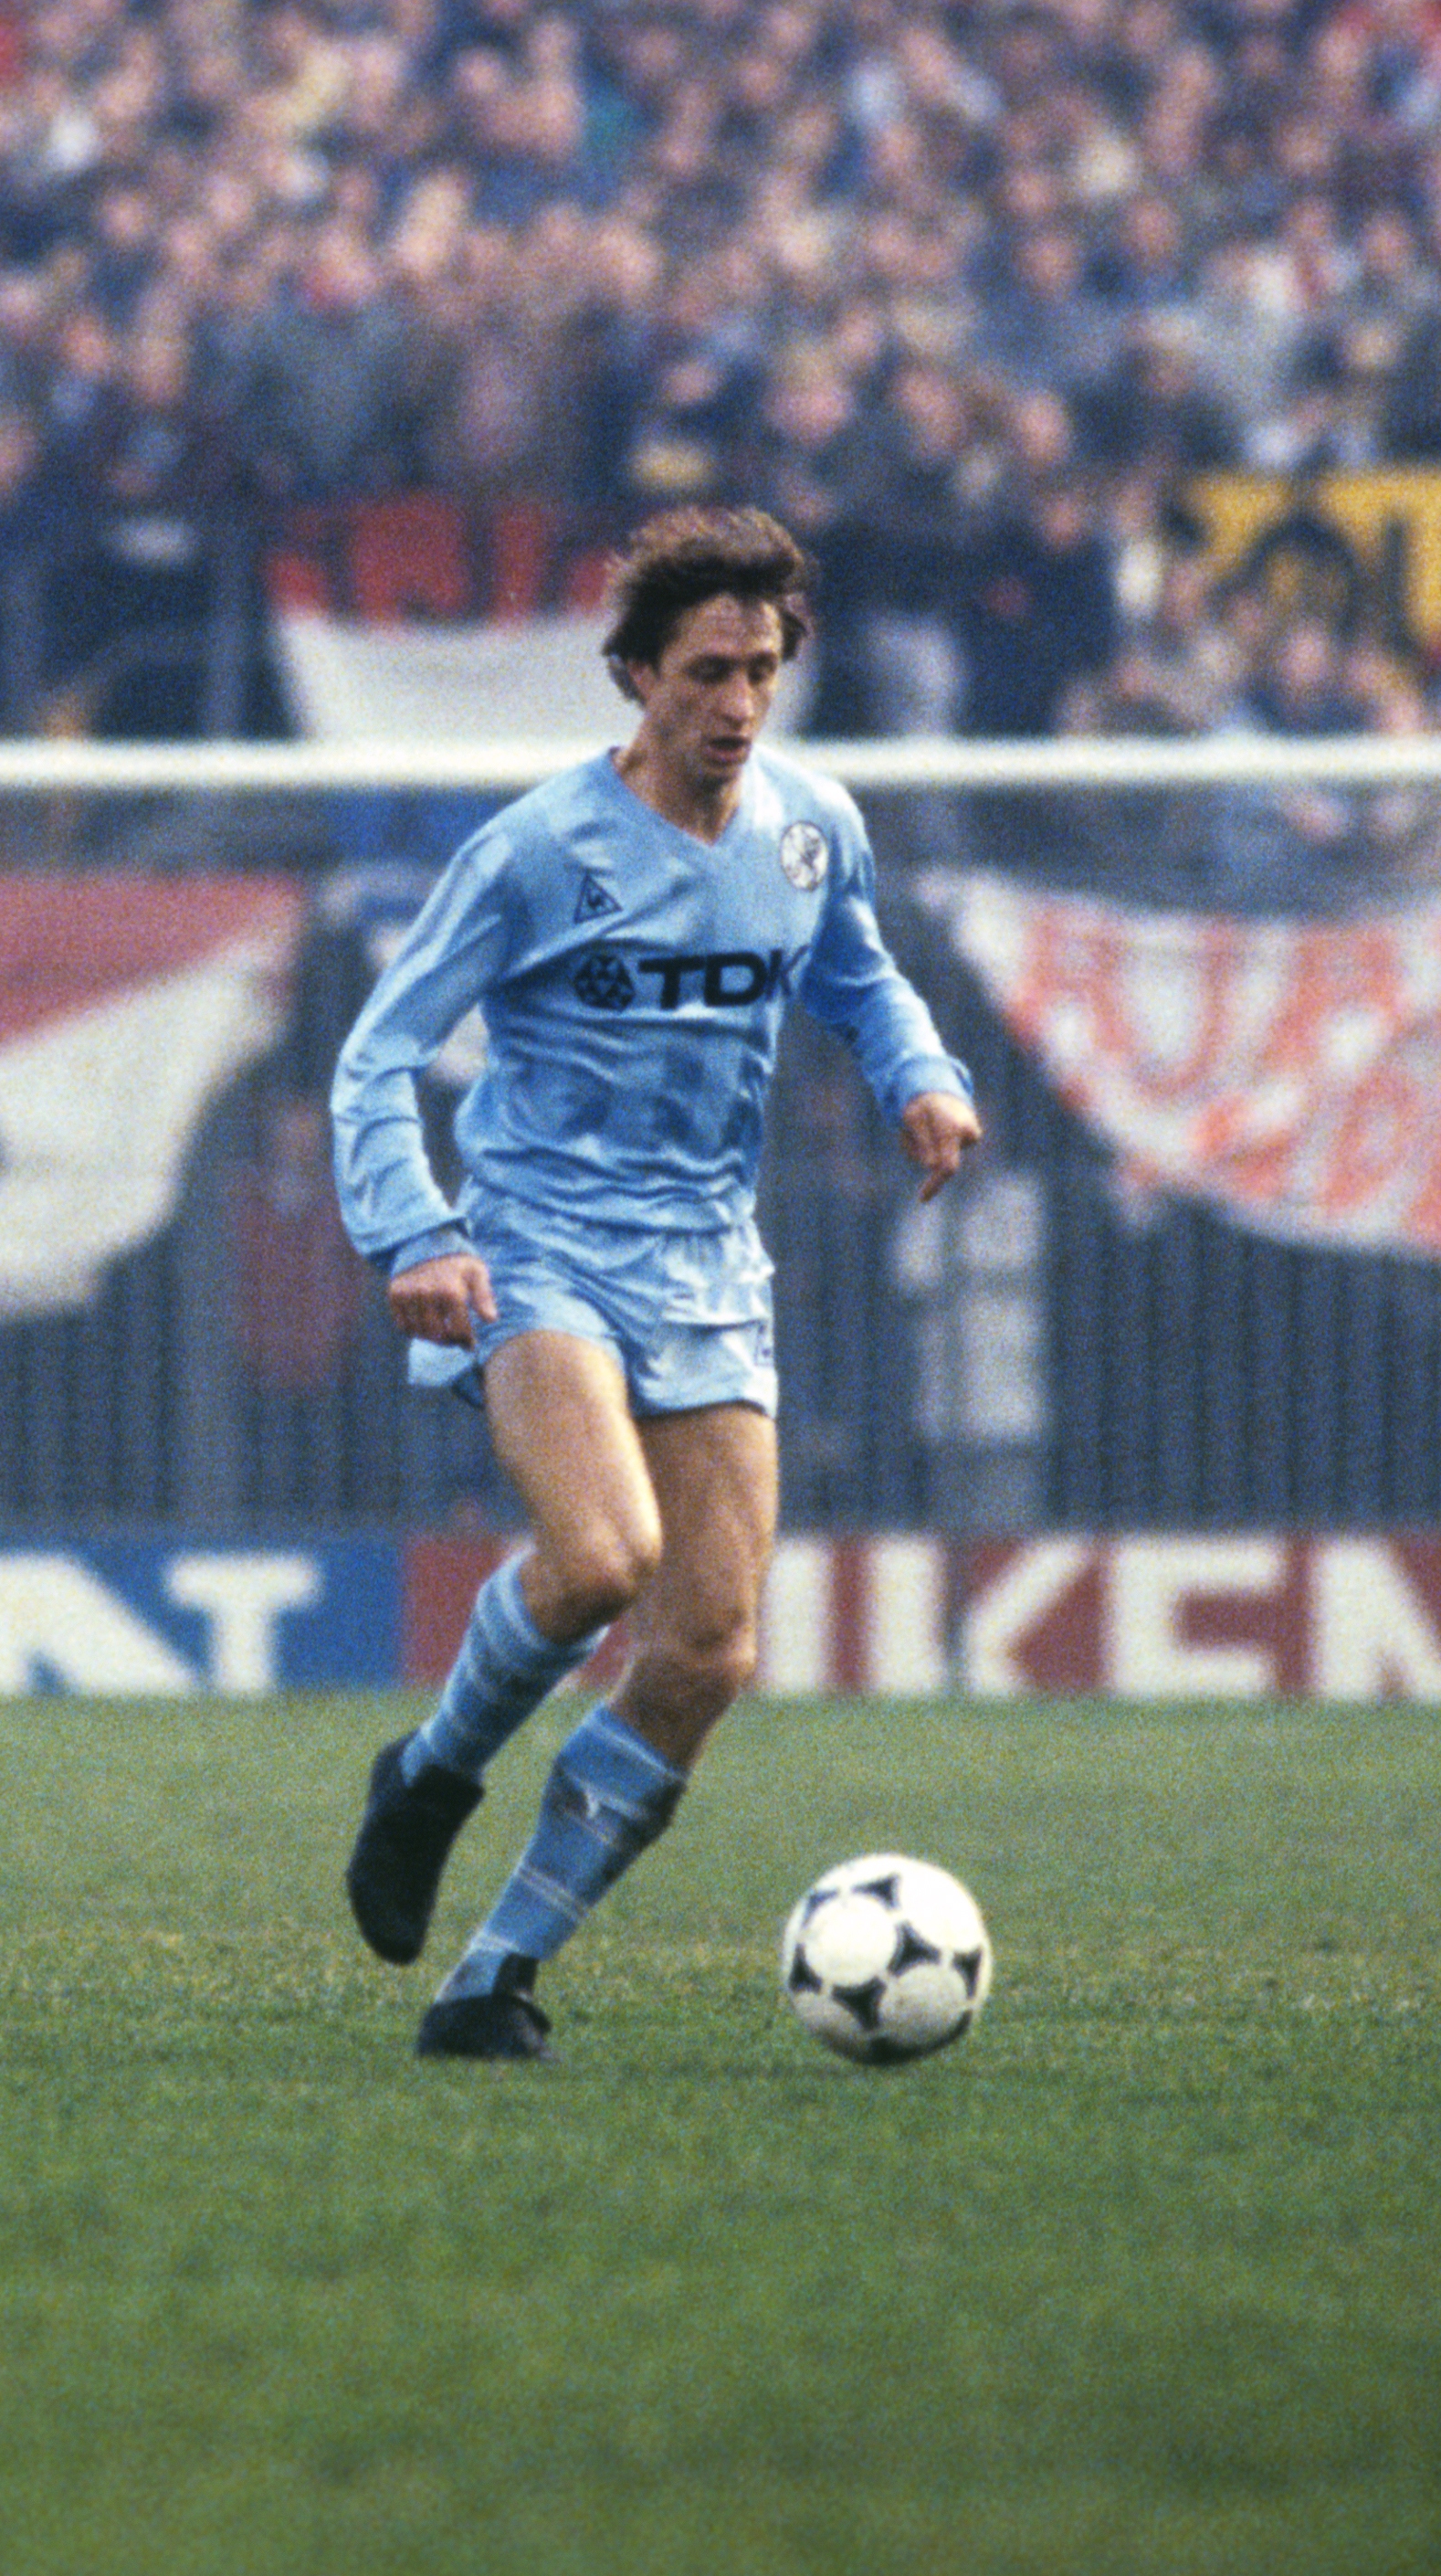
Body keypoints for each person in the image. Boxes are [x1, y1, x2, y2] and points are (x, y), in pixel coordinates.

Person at [330, 504, 982, 2060]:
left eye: (759, 668)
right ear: (634, 677)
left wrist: (919, 1074)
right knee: (603, 1556)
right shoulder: (539, 850)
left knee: (707, 1652)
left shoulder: (812, 828)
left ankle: (491, 1981)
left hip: (705, 1265)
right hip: (541, 1243)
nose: (735, 702)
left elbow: (856, 971)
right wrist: (416, 1233)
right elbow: (379, 1051)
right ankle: (430, 1772)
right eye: (703, 671)